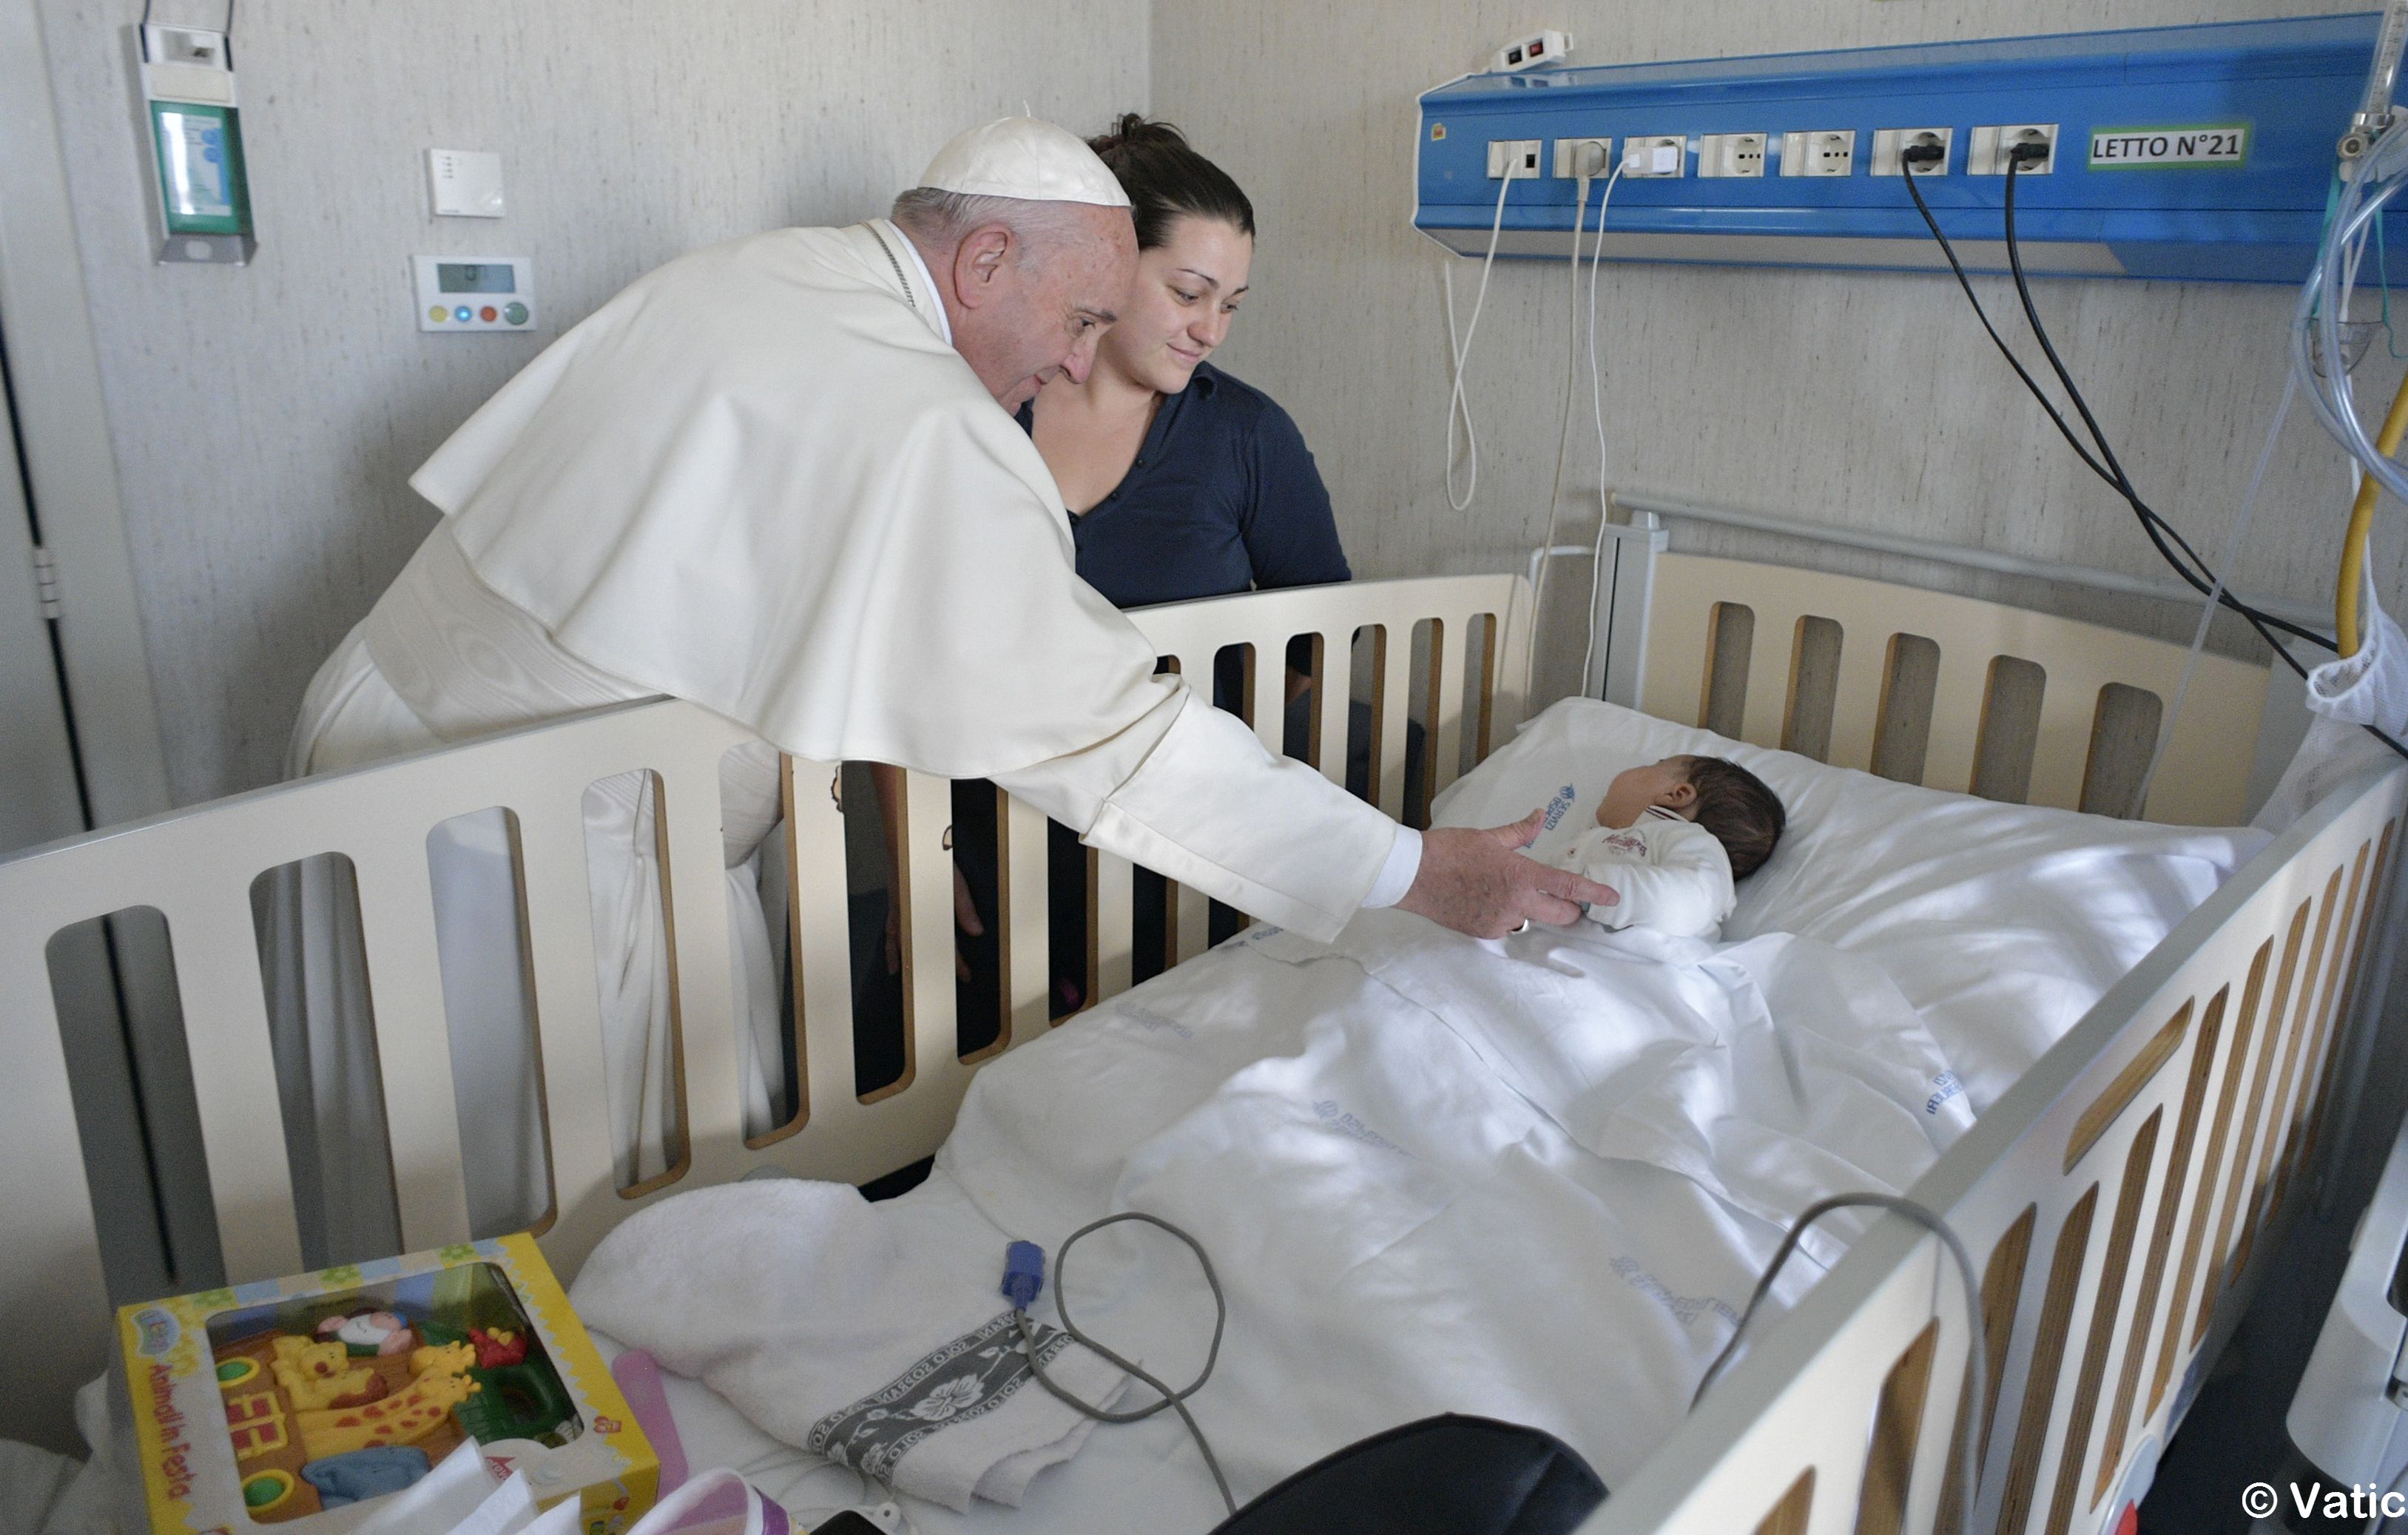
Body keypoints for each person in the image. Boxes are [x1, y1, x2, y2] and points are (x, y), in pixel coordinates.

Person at [258, 117, 1615, 1258]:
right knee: (552, 1243)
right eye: (1084, 315)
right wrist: (1406, 867)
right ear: (980, 260)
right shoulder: (922, 421)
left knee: (395, 1193)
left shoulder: (755, 276)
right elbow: (1120, 739)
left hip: (389, 748)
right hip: (527, 856)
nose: (1080, 360)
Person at [950, 117, 1409, 1018]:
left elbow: (1319, 637)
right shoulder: (984, 417)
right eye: (1191, 292)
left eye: (1232, 303)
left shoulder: (1245, 436)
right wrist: (927, 855)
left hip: (1178, 834)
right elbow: (901, 649)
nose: (1211, 330)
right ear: (1109, 263)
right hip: (994, 836)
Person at [1549, 756, 1786, 939]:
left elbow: (1692, 899)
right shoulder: (1600, 839)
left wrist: (1589, 892)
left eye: (1654, 765)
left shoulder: (1691, 840)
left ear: (1676, 794)